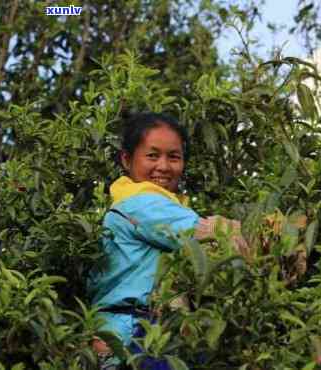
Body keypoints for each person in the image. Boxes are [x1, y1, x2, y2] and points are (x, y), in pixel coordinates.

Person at [87, 112, 247, 369]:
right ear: (127, 160)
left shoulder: (156, 204)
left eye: (173, 157)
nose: (163, 166)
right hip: (137, 336)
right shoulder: (140, 202)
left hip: (139, 333)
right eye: (152, 155)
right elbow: (208, 235)